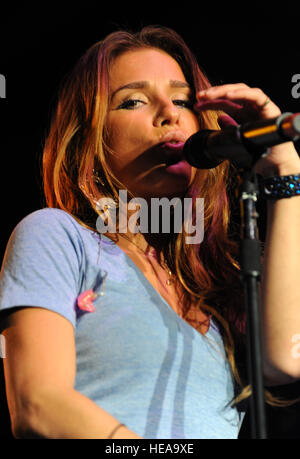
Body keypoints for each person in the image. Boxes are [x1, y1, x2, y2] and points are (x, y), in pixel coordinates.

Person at [0, 25, 300, 440]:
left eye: (181, 100)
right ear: (91, 137)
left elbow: (286, 359)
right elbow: (39, 404)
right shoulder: (59, 237)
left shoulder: (218, 282)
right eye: (133, 101)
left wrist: (285, 172)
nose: (169, 113)